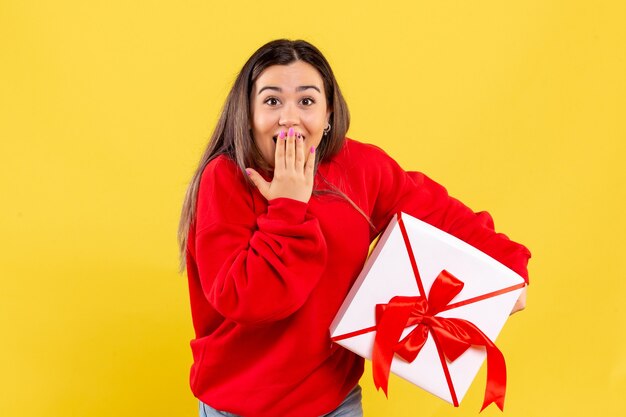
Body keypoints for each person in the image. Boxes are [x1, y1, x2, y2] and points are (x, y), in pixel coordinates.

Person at [178, 39, 531, 417]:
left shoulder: (360, 168)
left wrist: (510, 273)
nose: (289, 117)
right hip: (239, 406)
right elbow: (248, 300)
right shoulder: (224, 179)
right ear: (247, 114)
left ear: (329, 114)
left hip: (334, 402)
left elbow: (442, 215)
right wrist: (288, 205)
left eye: (307, 101)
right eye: (272, 101)